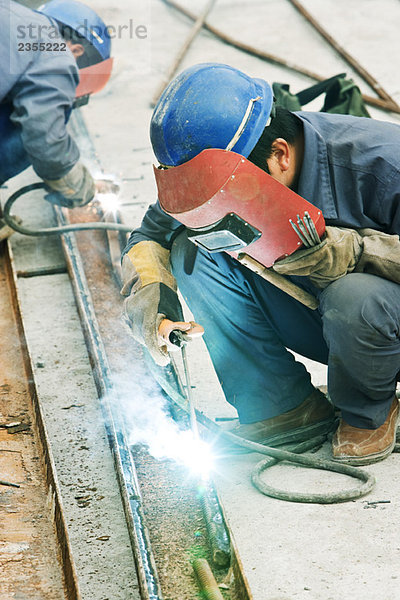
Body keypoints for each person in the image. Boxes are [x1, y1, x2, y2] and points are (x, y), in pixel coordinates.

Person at [121, 63, 400, 466]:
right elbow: (149, 237)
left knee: (354, 294)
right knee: (193, 251)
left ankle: (370, 412)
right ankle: (283, 408)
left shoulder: (381, 164)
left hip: (376, 320)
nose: (220, 203)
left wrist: (356, 252)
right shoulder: (229, 167)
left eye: (228, 193)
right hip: (336, 324)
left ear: (280, 155)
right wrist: (155, 306)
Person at [0, 0, 113, 208]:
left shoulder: (11, 12)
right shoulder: (54, 51)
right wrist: (76, 184)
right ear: (77, 51)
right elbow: (44, 135)